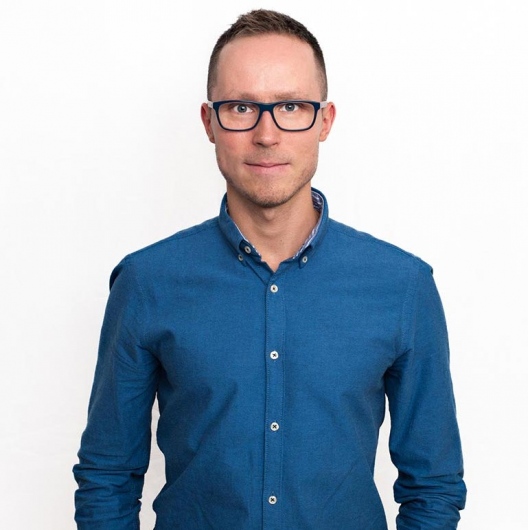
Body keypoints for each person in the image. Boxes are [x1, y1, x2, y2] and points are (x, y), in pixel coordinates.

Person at [73, 8, 466, 529]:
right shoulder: (147, 284)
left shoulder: (403, 287)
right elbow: (107, 479)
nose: (266, 133)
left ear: (325, 121)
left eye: (291, 106)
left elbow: (433, 488)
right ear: (209, 122)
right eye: (240, 107)